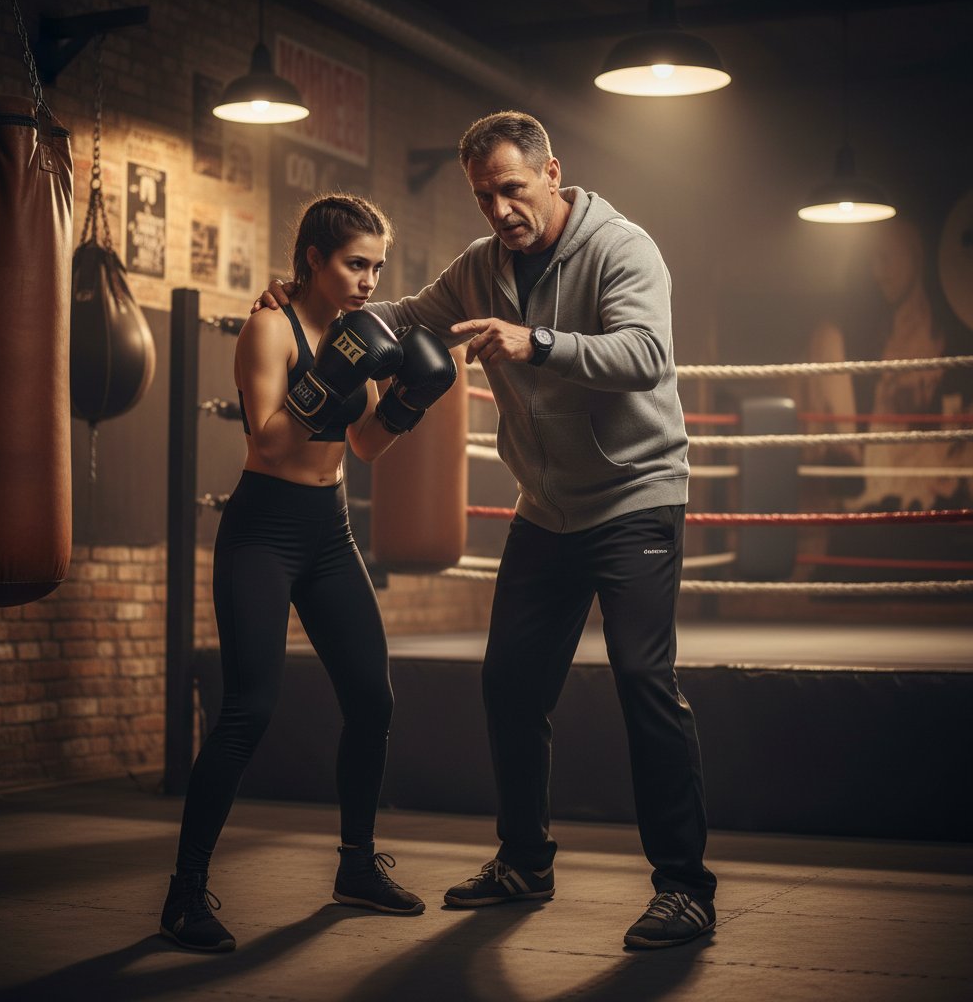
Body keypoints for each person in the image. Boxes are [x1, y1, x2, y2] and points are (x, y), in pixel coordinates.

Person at [256, 111, 717, 949]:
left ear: (551, 172)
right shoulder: (480, 267)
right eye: (483, 195)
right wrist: (310, 300)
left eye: (511, 187)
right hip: (546, 508)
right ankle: (524, 860)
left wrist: (534, 340)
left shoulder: (624, 249)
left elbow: (646, 354)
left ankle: (684, 887)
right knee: (508, 684)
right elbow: (405, 314)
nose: (500, 208)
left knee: (643, 683)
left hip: (634, 496)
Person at [161, 193, 457, 952]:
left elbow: (358, 448)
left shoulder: (360, 328)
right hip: (262, 530)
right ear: (314, 260)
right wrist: (328, 375)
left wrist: (407, 406)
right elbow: (266, 441)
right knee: (248, 711)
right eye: (356, 264)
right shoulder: (270, 325)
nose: (369, 279)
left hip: (329, 531)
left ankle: (356, 866)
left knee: (371, 697)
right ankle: (184, 894)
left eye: (378, 266)